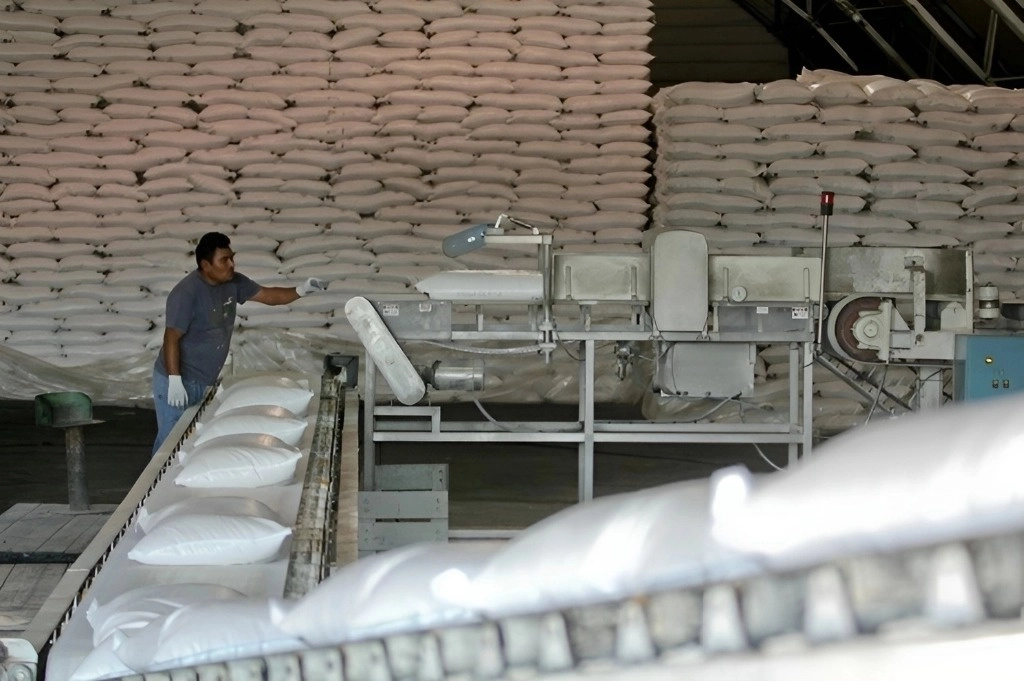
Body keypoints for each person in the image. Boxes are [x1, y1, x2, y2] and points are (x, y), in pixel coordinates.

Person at [151, 231, 325, 454]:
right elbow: (171, 337)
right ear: (206, 265)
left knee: (192, 438)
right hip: (176, 381)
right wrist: (175, 380)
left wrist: (302, 290)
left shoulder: (233, 283)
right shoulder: (186, 293)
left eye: (232, 257)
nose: (232, 264)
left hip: (203, 379)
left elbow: (269, 296)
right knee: (170, 442)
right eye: (225, 260)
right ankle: (153, 488)